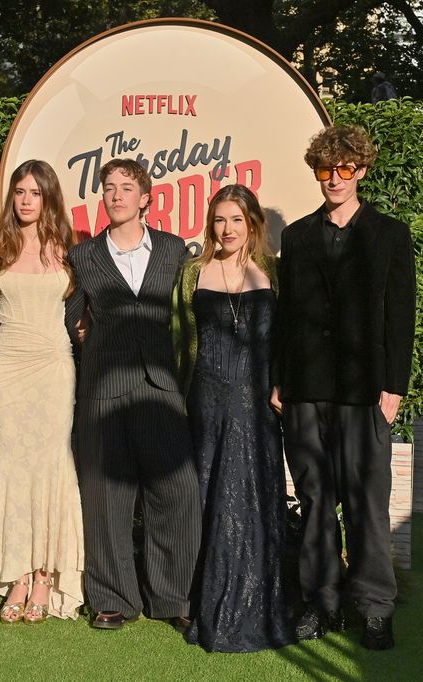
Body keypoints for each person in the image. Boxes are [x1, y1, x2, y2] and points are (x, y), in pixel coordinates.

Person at [271, 124, 415, 651]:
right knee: (314, 500)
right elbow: (286, 317)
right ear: (317, 172)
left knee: (367, 506)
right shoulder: (296, 236)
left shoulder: (390, 235)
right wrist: (280, 378)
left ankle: (376, 608)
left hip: (364, 392)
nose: (335, 178)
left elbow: (400, 316)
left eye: (346, 168)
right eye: (326, 169)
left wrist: (393, 386)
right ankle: (320, 602)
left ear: (363, 170)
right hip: (306, 389)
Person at [65, 157, 201, 632]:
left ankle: (174, 597)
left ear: (146, 198)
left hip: (162, 389)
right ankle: (112, 598)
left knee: (178, 493)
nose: (116, 194)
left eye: (127, 187)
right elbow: (71, 317)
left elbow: (189, 317)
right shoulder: (83, 257)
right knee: (105, 497)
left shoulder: (174, 250)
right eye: (109, 187)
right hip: (103, 390)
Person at [172, 184, 297, 653]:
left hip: (260, 403)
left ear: (252, 225)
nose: (226, 230)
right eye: (219, 220)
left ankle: (260, 604)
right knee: (209, 493)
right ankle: (205, 602)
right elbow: (178, 339)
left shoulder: (272, 273)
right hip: (207, 399)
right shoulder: (191, 273)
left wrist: (283, 383)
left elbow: (287, 338)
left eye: (236, 220)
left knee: (254, 494)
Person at [0, 160, 84, 624]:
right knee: (14, 464)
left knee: (52, 465)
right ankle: (17, 574)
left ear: (48, 197)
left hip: (54, 366)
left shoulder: (68, 250)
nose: (26, 199)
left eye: (35, 191)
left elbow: (81, 309)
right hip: (10, 367)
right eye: (19, 191)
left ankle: (45, 575)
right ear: (11, 198)